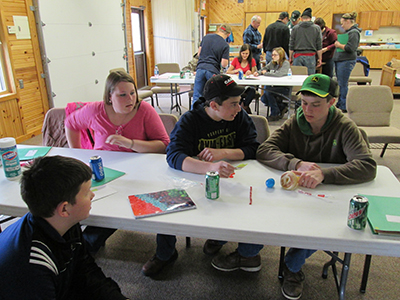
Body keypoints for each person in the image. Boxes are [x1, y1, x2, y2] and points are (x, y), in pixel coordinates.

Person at [256, 74, 377, 300]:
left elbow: (367, 166)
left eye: (316, 104)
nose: (307, 110)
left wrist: (325, 174)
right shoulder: (295, 122)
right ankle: (249, 254)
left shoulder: (345, 127)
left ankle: (292, 265)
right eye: (303, 103)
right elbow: (264, 150)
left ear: (332, 102)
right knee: (263, 210)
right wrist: (296, 163)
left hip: (329, 198)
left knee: (323, 225)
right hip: (296, 196)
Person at [142, 75, 262, 277]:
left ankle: (219, 238)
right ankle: (165, 253)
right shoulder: (191, 120)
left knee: (250, 204)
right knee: (167, 199)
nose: (239, 108)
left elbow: (253, 148)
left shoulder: (238, 117)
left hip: (232, 179)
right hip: (194, 178)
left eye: (239, 103)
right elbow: (173, 155)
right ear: (214, 105)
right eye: (233, 104)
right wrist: (209, 167)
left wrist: (223, 153)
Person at [65, 70, 169, 253]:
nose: (130, 99)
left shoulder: (144, 110)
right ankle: (79, 248)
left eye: (132, 93)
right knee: (80, 202)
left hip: (140, 170)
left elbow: (163, 145)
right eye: (122, 95)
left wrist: (130, 143)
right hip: (104, 170)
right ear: (109, 97)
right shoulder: (95, 110)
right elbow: (71, 124)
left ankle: (165, 254)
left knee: (151, 204)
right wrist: (78, 153)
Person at [0, 156, 129, 299]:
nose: (92, 195)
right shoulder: (34, 266)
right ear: (64, 209)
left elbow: (85, 272)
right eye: (86, 192)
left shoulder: (64, 222)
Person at [192, 24, 231, 106]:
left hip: (200, 68)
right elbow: (224, 64)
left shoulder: (206, 37)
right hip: (212, 70)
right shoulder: (225, 45)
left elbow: (199, 54)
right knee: (213, 97)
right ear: (228, 34)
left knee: (197, 96)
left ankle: (193, 117)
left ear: (218, 29)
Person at [333, 12, 361, 112]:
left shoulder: (354, 33)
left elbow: (350, 48)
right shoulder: (350, 32)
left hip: (346, 61)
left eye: (342, 23)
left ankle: (344, 105)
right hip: (341, 60)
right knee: (341, 83)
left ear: (348, 21)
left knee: (343, 84)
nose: (342, 25)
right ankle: (340, 102)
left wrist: (339, 45)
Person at [256, 47, 290, 121]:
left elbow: (279, 74)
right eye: (272, 55)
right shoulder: (273, 63)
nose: (273, 57)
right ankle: (281, 107)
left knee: (268, 92)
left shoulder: (285, 63)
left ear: (280, 55)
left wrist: (266, 73)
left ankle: (275, 113)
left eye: (275, 55)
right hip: (274, 86)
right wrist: (258, 72)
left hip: (284, 87)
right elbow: (264, 69)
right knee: (264, 98)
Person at [226, 43, 258, 114]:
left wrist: (251, 72)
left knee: (252, 91)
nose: (245, 55)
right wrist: (236, 70)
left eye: (247, 54)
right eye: (243, 53)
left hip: (248, 85)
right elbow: (228, 71)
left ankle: (244, 106)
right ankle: (244, 108)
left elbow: (254, 72)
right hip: (238, 85)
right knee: (236, 92)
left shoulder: (252, 61)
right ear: (240, 53)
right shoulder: (236, 60)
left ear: (249, 53)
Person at [289, 8, 322, 75]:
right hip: (311, 56)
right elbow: (319, 45)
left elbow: (291, 45)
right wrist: (320, 58)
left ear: (301, 18)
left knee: (297, 78)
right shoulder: (317, 28)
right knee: (310, 79)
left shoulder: (295, 28)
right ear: (310, 18)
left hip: (297, 56)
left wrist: (290, 58)